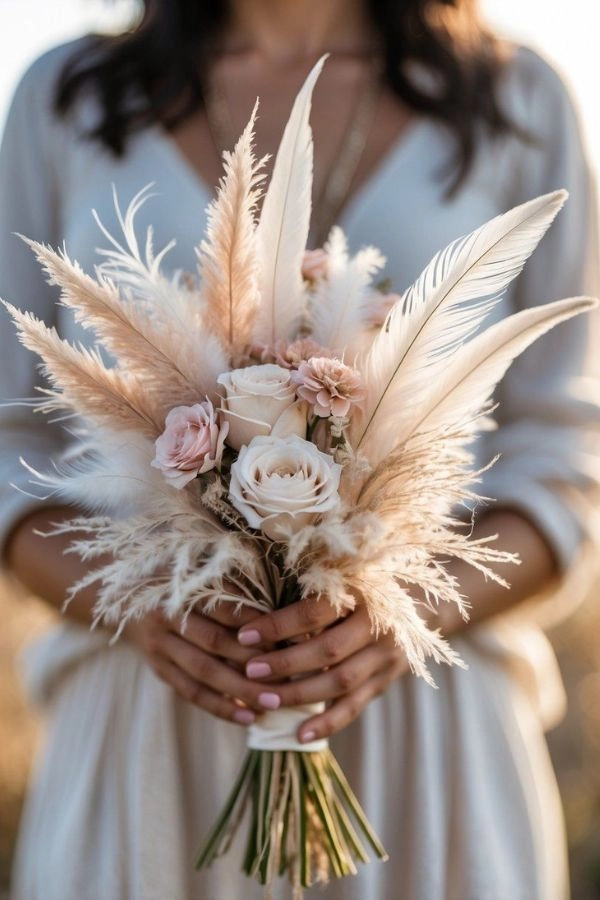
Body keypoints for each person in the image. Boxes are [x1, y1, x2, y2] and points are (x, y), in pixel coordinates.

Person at [1, 1, 598, 898]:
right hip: (147, 724)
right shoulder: (68, 99)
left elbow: (566, 467)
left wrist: (407, 619)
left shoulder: (514, 99)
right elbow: (11, 450)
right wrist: (138, 606)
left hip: (428, 735)